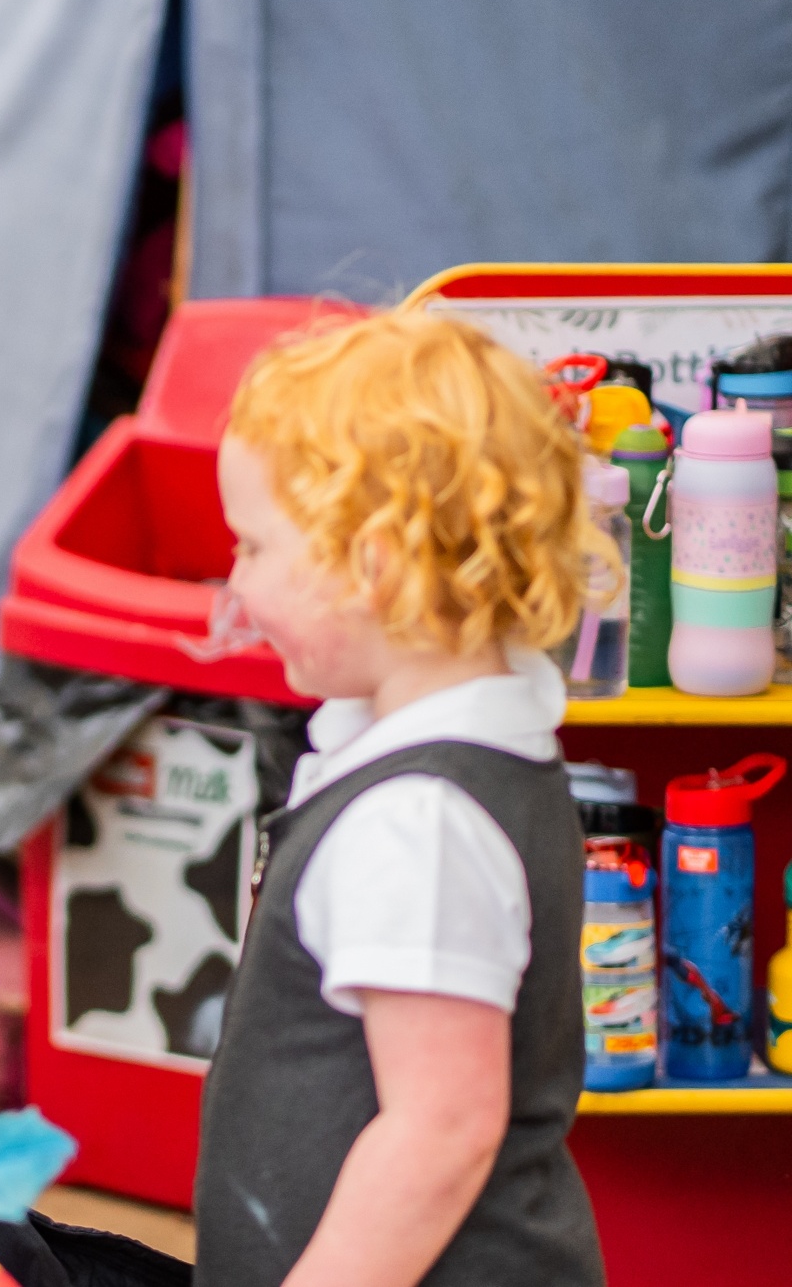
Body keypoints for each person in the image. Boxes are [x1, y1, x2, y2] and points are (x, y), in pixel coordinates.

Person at [193, 312, 605, 1285]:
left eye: (252, 547)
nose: (234, 583)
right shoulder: (445, 762)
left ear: (367, 564)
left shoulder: (415, 820)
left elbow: (440, 1129)